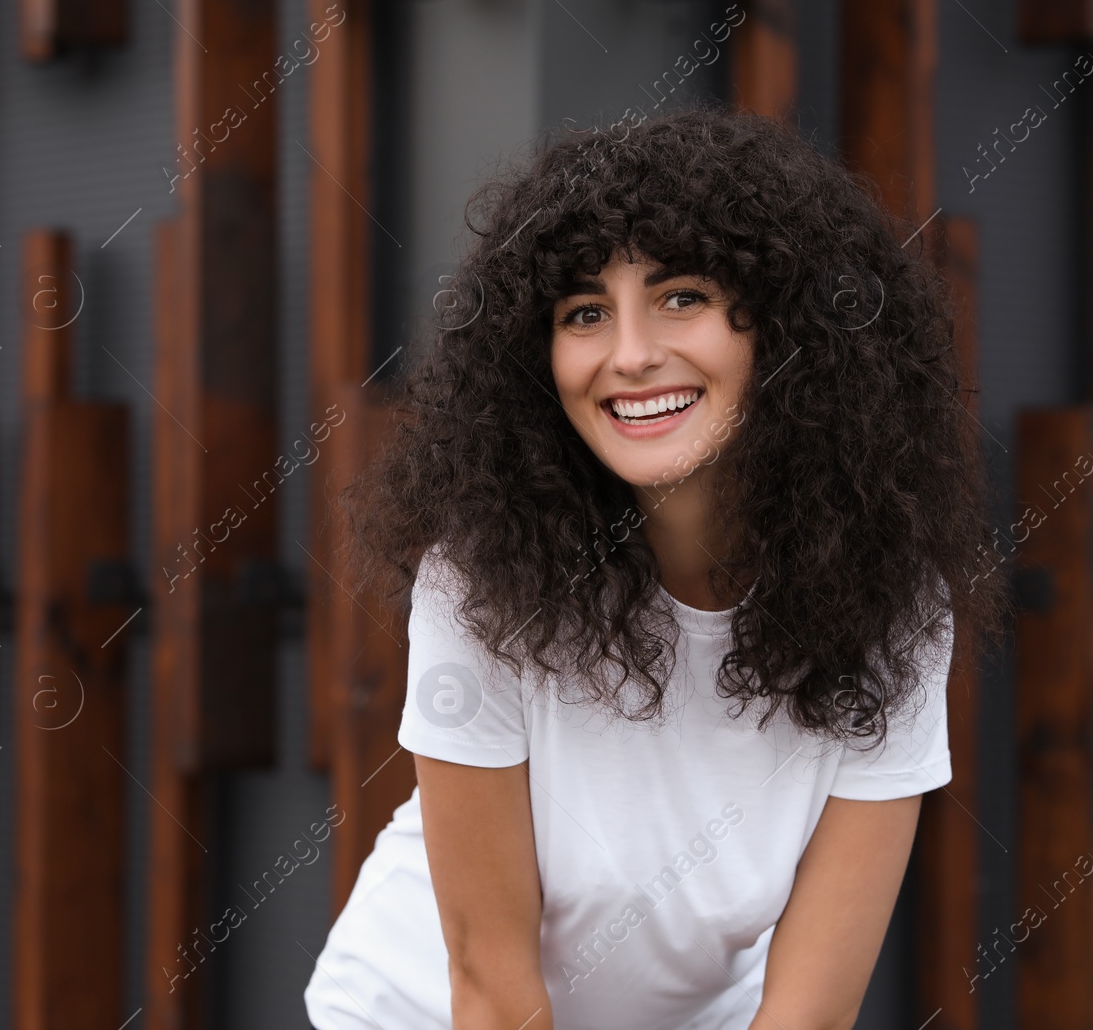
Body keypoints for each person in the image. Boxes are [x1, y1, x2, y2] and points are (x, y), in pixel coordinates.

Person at [305, 104, 1005, 1029]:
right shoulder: (479, 584)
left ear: (787, 334)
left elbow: (809, 1015)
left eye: (683, 297)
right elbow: (493, 992)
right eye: (586, 313)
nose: (631, 356)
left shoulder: (895, 608)